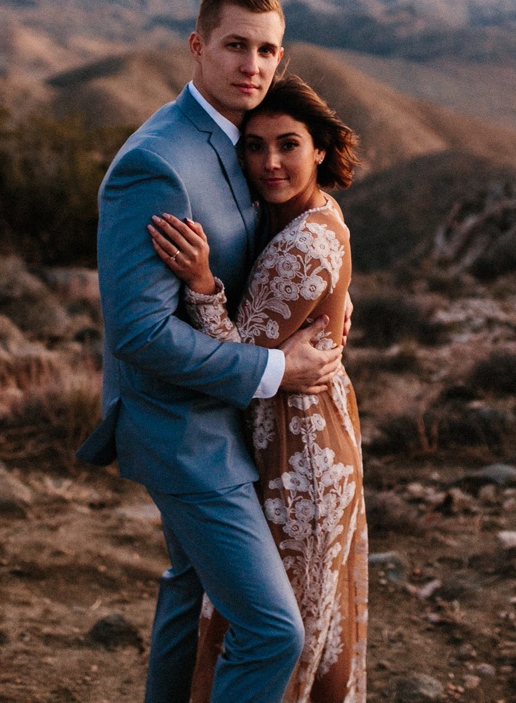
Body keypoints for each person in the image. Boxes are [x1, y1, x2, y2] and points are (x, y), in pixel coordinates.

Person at [76, 0, 345, 703]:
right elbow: (140, 333)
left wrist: (328, 292)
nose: (251, 66)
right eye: (234, 46)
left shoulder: (241, 139)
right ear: (198, 46)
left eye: (267, 51)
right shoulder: (158, 163)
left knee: (189, 586)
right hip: (182, 428)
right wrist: (275, 369)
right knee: (273, 630)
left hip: (221, 417)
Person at [148, 75, 367, 703]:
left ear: (320, 148)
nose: (270, 162)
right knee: (276, 619)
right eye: (254, 146)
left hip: (299, 455)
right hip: (298, 435)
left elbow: (238, 363)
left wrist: (201, 284)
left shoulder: (304, 241)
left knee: (271, 634)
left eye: (288, 144)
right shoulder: (313, 213)